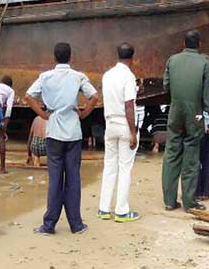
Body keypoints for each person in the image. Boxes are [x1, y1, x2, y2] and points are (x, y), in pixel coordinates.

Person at [25, 42, 99, 235]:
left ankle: (49, 225)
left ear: (54, 57)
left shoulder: (45, 77)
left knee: (55, 180)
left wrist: (43, 114)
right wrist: (83, 114)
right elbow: (94, 97)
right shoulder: (78, 76)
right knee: (73, 178)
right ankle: (76, 224)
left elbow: (29, 96)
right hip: (73, 132)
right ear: (70, 57)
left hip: (54, 132)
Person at [161, 30, 209, 212]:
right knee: (191, 154)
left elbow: (166, 86)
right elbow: (206, 95)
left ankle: (169, 201)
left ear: (183, 44)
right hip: (196, 114)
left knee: (171, 153)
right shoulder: (203, 62)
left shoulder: (172, 60)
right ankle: (189, 202)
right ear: (199, 44)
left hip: (175, 110)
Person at [97, 43, 141, 222]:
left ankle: (104, 208)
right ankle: (122, 211)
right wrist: (133, 132)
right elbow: (129, 105)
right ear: (132, 58)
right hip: (124, 123)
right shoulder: (128, 77)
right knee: (125, 168)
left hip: (110, 124)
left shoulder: (107, 75)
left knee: (109, 166)